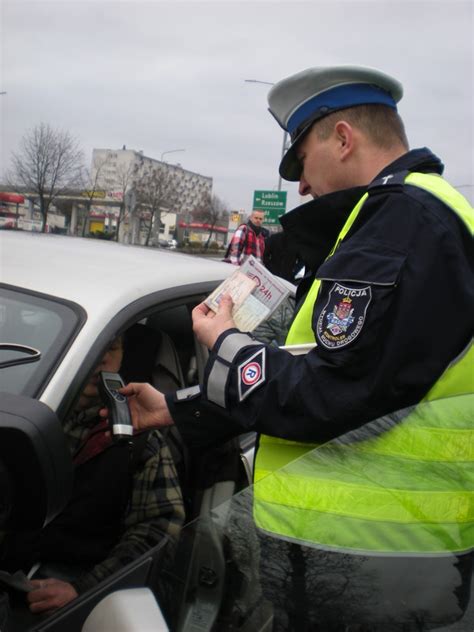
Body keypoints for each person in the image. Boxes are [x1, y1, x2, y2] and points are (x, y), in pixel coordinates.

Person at [105, 65, 473, 630]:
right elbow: (324, 366)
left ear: (343, 138)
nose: (299, 187)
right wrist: (175, 407)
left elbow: (328, 392)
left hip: (379, 567)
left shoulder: (404, 224)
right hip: (373, 559)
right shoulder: (409, 218)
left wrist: (224, 342)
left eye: (300, 162)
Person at [1, 331, 184, 615]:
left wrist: (85, 590)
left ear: (123, 358)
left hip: (72, 590)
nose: (101, 359)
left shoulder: (140, 440)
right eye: (92, 348)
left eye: (112, 348)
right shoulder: (24, 406)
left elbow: (159, 530)